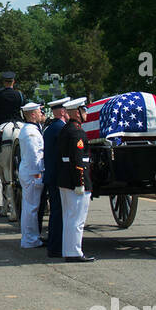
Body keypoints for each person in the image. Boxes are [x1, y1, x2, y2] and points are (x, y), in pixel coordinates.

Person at [58, 97, 96, 262]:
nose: (86, 113)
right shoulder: (77, 132)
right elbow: (77, 160)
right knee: (77, 219)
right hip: (75, 180)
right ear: (76, 112)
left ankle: (69, 250)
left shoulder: (67, 129)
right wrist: (80, 182)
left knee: (69, 218)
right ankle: (74, 252)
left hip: (65, 178)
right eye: (84, 110)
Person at [41, 98, 70, 257]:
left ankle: (54, 243)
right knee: (59, 212)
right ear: (62, 111)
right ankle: (56, 246)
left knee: (56, 212)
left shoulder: (52, 127)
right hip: (58, 177)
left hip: (52, 175)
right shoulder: (60, 128)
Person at [17, 102, 46, 249]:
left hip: (29, 172)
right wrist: (38, 174)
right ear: (33, 115)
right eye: (40, 111)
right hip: (32, 173)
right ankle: (30, 239)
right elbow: (35, 155)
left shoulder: (30, 129)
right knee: (31, 208)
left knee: (30, 207)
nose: (42, 113)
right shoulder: (31, 132)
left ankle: (31, 238)